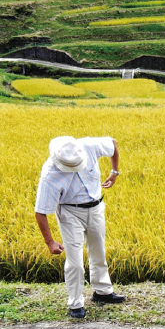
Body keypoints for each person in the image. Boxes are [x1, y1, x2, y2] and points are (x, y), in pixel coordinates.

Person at [34, 136, 125, 319]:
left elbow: (113, 143)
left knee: (99, 251)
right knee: (74, 261)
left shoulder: (89, 146)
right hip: (70, 212)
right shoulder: (50, 174)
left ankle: (102, 292)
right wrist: (50, 242)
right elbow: (40, 211)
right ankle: (75, 303)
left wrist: (114, 172)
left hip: (96, 206)